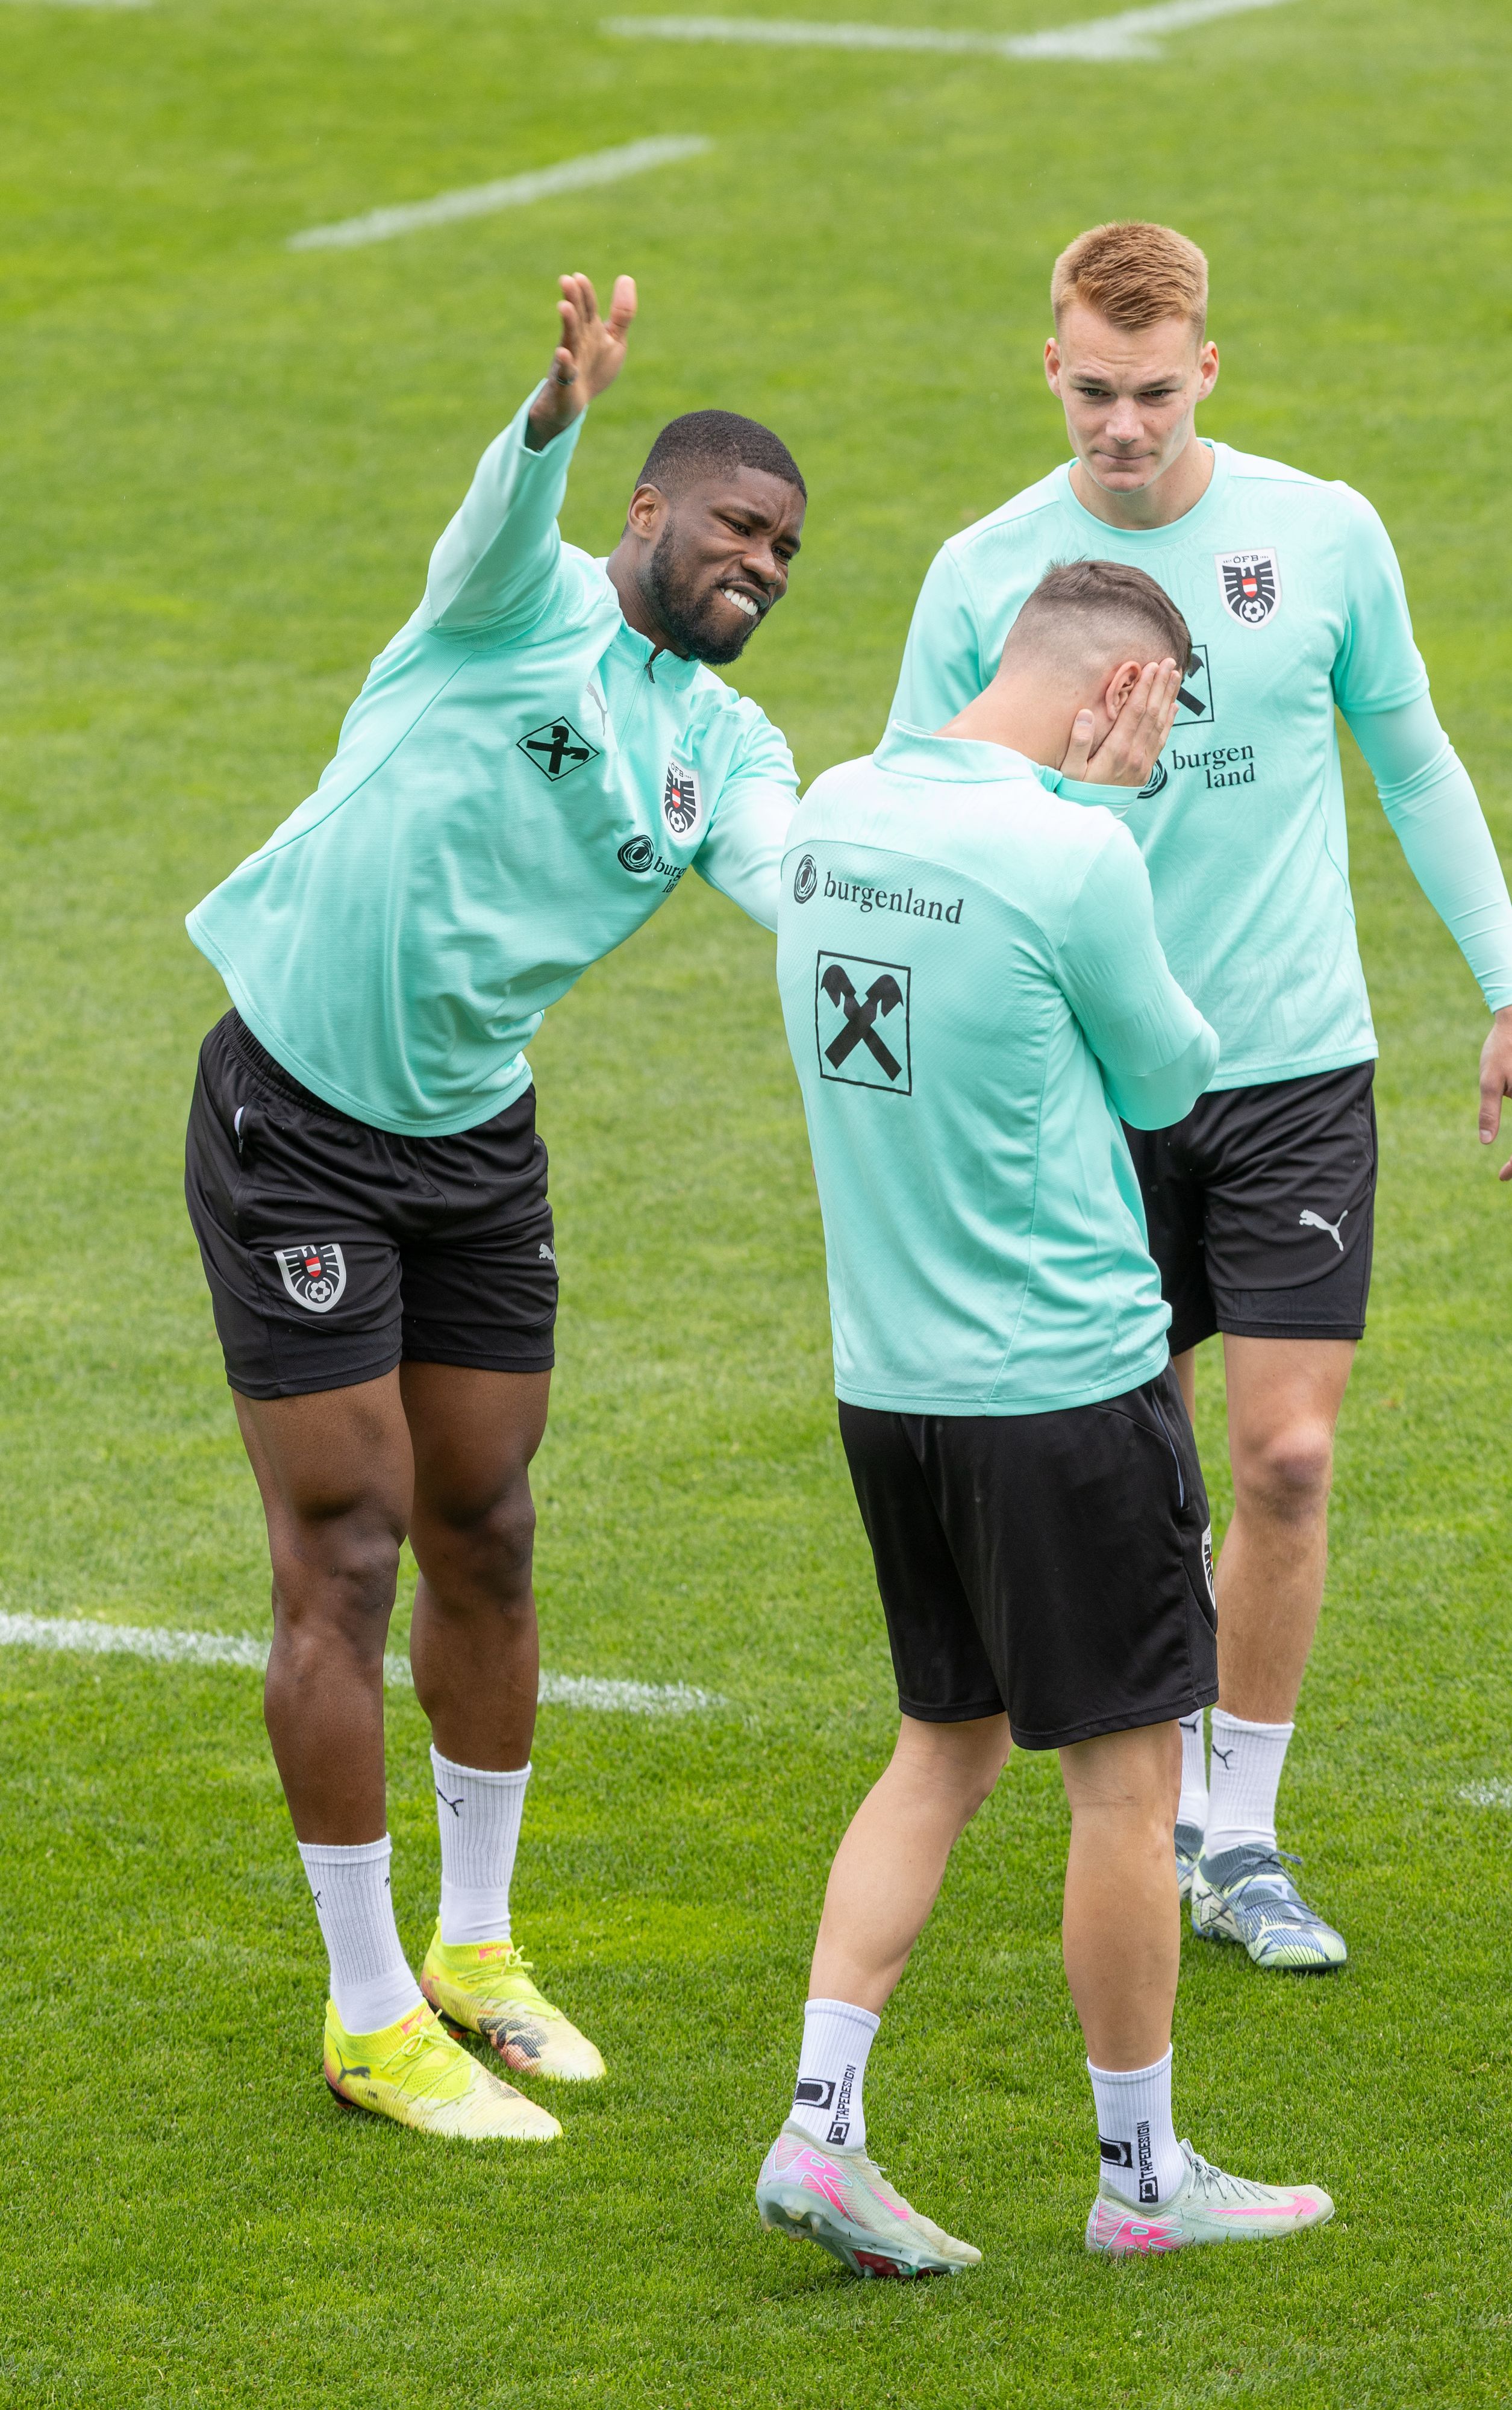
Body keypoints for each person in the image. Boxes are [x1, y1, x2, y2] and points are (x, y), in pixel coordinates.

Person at [183, 272, 807, 2138]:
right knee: (346, 1546)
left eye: (788, 551)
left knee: (489, 1529)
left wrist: (966, 864)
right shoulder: (509, 606)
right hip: (296, 1116)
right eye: (737, 527)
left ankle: (475, 1951)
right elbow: (499, 517)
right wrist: (551, 415)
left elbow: (801, 884)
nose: (761, 565)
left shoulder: (727, 751)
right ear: (648, 510)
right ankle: (369, 2014)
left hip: (474, 1148)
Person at [891, 221, 1512, 1971]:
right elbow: (922, 811)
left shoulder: (1323, 535)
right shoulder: (983, 574)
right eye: (1094, 390)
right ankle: (1152, 1815)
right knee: (1141, 1468)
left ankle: (1242, 1835)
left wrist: (1507, 977)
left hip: (1295, 1064)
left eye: (1155, 394)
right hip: (1086, 1080)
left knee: (1288, 1459)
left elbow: (1412, 755)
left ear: (1208, 373)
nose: (1124, 427)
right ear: (1050, 367)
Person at [757, 559, 1334, 2273]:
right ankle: (1143, 2183)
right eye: (1171, 712)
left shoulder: (835, 810)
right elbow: (1169, 1077)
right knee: (1126, 1791)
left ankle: (821, 2129)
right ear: (1121, 696)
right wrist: (1103, 816)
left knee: (941, 1747)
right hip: (1064, 1389)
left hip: (891, 1383)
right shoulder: (1073, 851)